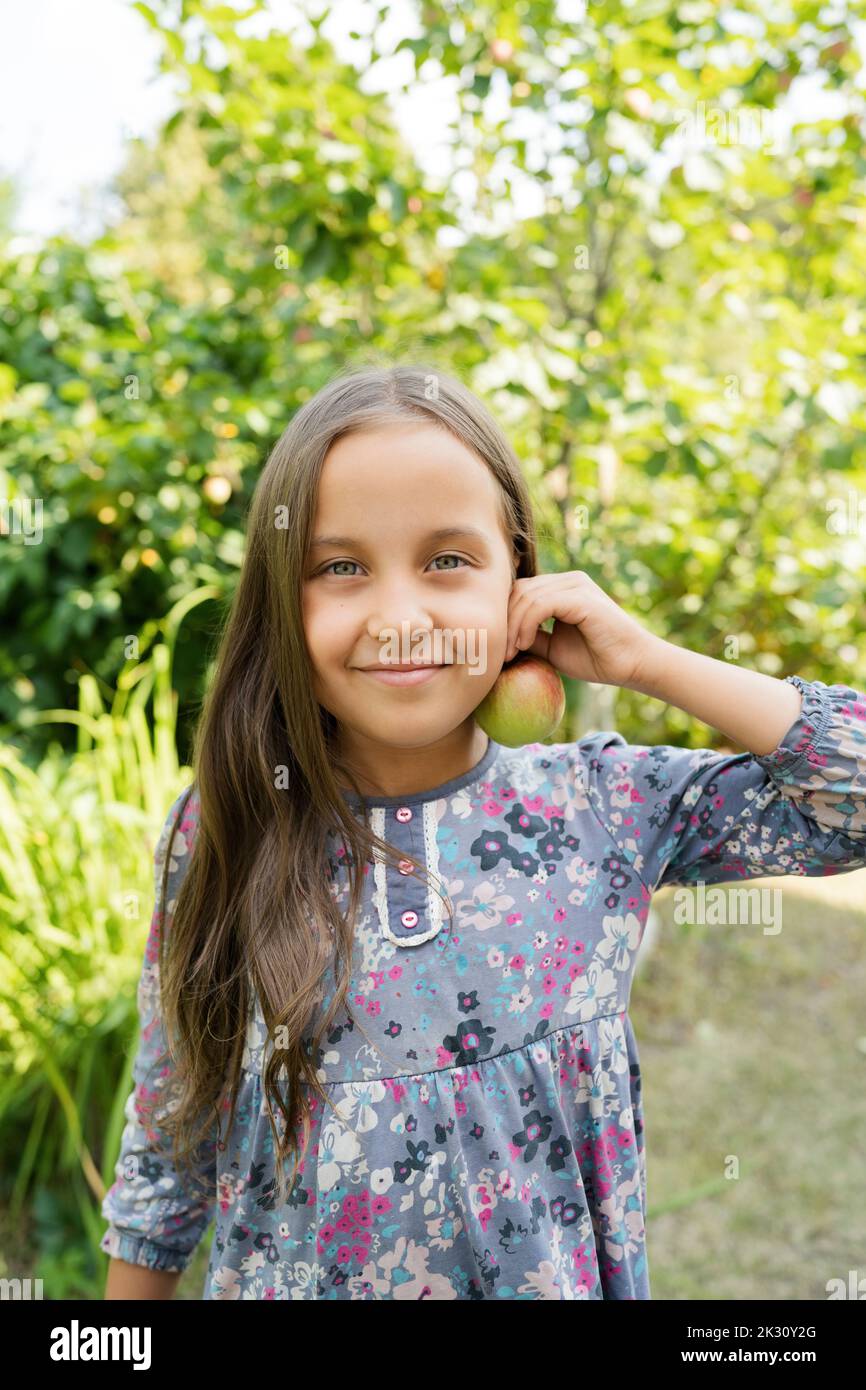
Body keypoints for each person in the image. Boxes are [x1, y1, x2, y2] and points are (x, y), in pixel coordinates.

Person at [101, 362, 866, 1300]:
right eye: (341, 567)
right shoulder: (229, 823)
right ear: (280, 602)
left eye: (448, 561)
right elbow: (168, 1142)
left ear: (523, 586)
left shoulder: (604, 806)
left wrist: (648, 660)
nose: (400, 615)